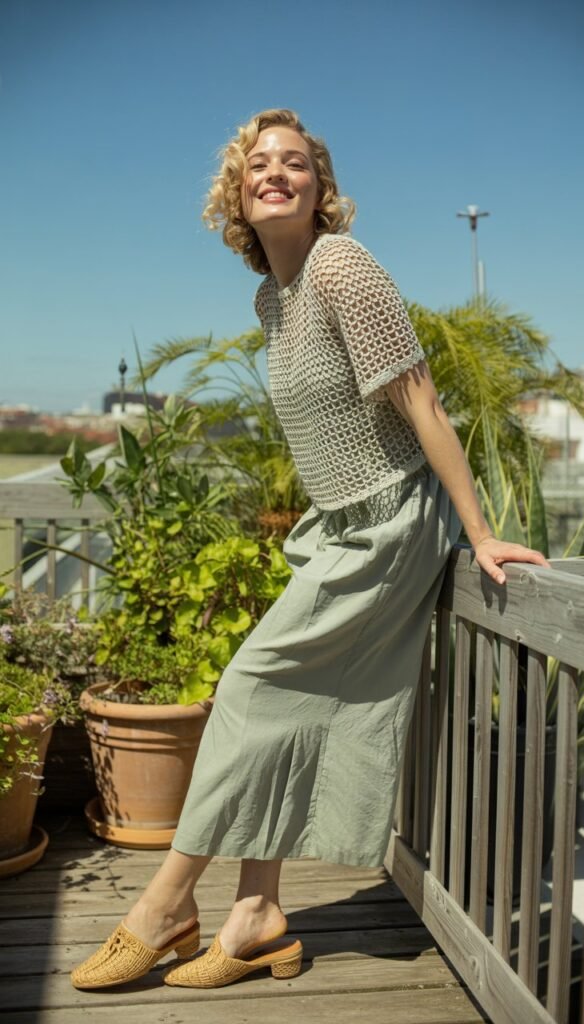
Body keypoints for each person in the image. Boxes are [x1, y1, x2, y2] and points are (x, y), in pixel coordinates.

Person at [71, 108, 551, 992]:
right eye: (260, 164)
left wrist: (478, 533)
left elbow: (423, 405)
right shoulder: (272, 296)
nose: (277, 174)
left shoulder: (341, 266)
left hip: (394, 522)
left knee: (253, 687)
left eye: (297, 163)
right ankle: (257, 914)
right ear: (237, 194)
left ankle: (166, 903)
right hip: (337, 527)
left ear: (321, 190)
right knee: (285, 705)